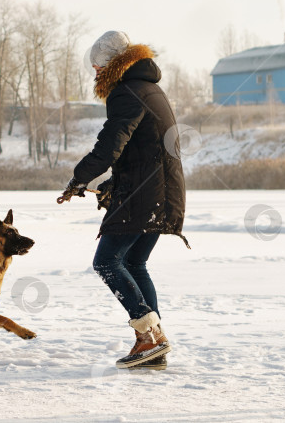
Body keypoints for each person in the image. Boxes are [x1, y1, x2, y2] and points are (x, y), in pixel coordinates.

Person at [58, 30, 189, 370]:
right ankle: (154, 343)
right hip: (162, 192)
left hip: (147, 194)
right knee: (134, 263)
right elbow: (144, 151)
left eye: (96, 67)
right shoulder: (149, 88)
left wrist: (79, 177)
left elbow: (110, 145)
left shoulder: (126, 92)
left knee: (107, 262)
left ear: (108, 65)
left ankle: (148, 337)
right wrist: (115, 182)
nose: (95, 73)